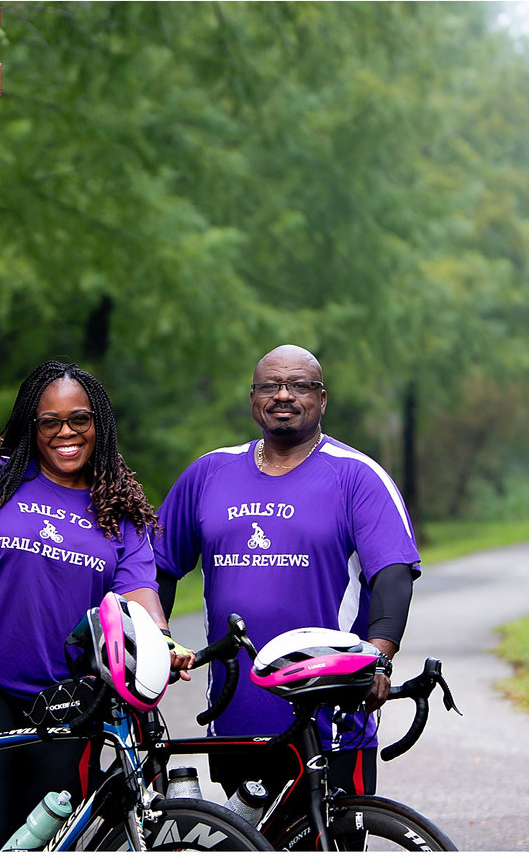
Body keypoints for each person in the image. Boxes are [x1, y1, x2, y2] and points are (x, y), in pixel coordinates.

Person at [0, 360, 189, 849]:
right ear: (30, 426)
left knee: (48, 837)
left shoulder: (118, 507)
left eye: (79, 420)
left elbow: (139, 590)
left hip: (70, 696)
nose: (66, 432)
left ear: (97, 424)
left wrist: (162, 641)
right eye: (50, 422)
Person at [155, 343, 420, 801]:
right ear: (253, 397)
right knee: (247, 840)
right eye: (270, 385)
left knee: (328, 842)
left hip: (332, 713)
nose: (284, 395)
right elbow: (155, 568)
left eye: (300, 385)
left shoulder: (357, 476)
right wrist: (159, 641)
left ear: (322, 399)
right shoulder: (208, 473)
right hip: (236, 713)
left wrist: (379, 656)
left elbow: (392, 575)